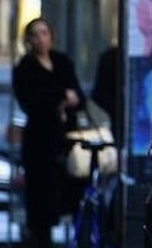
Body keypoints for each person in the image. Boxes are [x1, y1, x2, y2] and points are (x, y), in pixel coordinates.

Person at [13, 17, 86, 248]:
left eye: (44, 33)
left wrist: (65, 100)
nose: (41, 39)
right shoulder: (25, 68)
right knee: (40, 200)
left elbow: (79, 97)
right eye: (35, 34)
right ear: (29, 40)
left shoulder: (62, 62)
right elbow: (32, 102)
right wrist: (62, 98)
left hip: (66, 139)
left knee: (71, 191)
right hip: (39, 142)